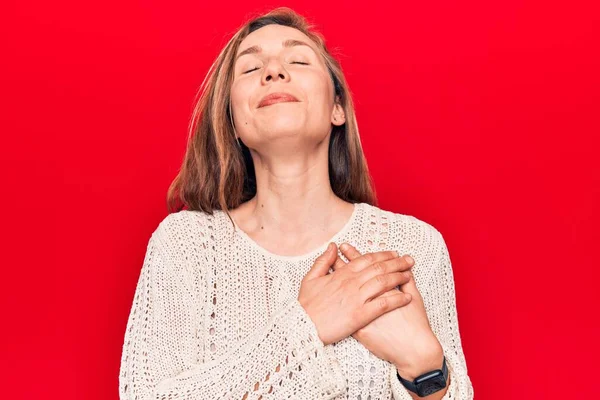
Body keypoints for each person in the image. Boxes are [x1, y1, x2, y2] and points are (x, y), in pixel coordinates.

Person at [118, 7, 474, 400]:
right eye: (251, 69)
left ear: (337, 108)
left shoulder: (413, 245)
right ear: (234, 121)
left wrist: (425, 367)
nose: (273, 72)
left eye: (298, 60)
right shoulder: (184, 245)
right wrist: (309, 325)